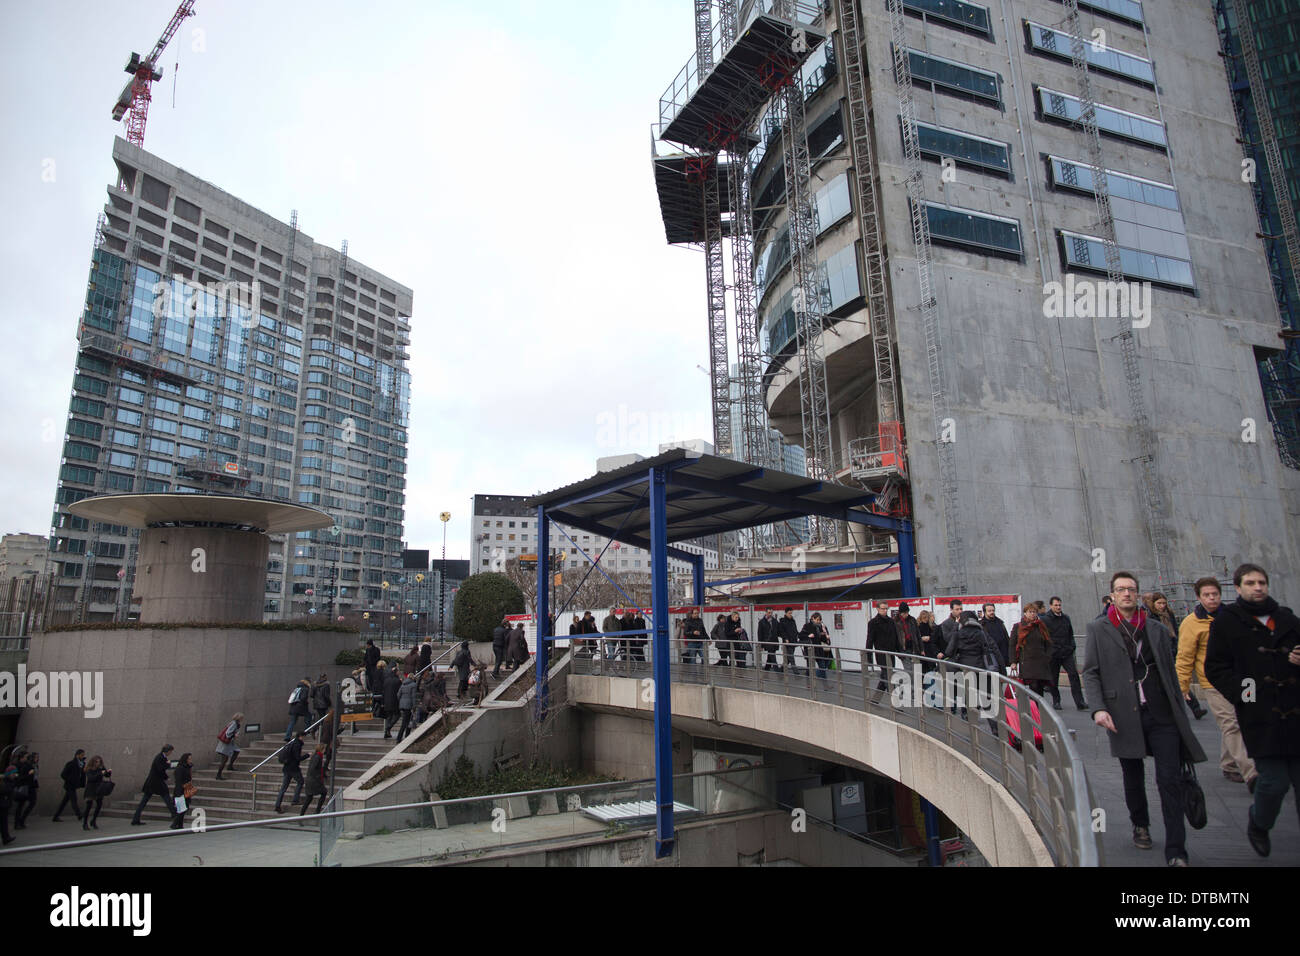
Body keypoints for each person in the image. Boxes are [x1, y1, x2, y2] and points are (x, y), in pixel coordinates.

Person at [1084, 571, 1206, 867]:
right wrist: (1098, 708)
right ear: (1112, 595)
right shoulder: (1098, 629)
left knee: (1170, 780)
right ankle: (1140, 824)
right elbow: (1090, 672)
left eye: (1131, 589)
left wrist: (1185, 703)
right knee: (1133, 776)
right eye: (1121, 589)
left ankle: (1177, 850)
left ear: (1138, 594)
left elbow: (1169, 672)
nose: (1126, 594)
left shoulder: (1156, 630)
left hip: (1162, 714)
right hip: (1122, 714)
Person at [1205, 563, 1300, 858]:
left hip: (1296, 712)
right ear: (1238, 587)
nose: (1257, 587)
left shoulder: (1287, 618)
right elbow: (1216, 667)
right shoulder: (1227, 622)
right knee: (1273, 782)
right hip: (1261, 717)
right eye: (1250, 583)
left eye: (1261, 582)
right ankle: (1259, 823)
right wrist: (1246, 694)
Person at [1178, 577, 1255, 787]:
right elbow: (1185, 656)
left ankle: (1229, 764)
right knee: (1231, 723)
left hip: (1243, 680)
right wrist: (1183, 687)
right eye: (1207, 595)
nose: (1212, 598)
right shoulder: (1191, 623)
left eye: (1215, 594)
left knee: (1243, 721)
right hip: (1213, 682)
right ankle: (1252, 773)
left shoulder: (1233, 617)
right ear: (1199, 597)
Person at [1043, 597, 1087, 710]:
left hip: (1066, 653)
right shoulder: (1046, 620)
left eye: (1059, 605)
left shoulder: (1066, 618)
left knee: (1074, 675)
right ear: (1051, 606)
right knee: (1053, 679)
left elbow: (1070, 634)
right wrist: (1050, 651)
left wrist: (1071, 647)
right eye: (1056, 605)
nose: (1058, 607)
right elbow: (1044, 638)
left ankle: (1080, 702)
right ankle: (1056, 701)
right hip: (1054, 654)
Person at [1010, 603, 1054, 697]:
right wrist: (1013, 661)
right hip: (1027, 662)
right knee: (1033, 687)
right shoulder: (1018, 626)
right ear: (1025, 613)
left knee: (1040, 688)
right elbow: (1013, 645)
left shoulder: (1041, 626)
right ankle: (1034, 709)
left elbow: (1048, 643)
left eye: (1034, 612)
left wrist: (1047, 657)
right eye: (1030, 612)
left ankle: (1037, 709)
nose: (1032, 614)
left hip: (1041, 662)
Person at [131, 744, 175, 826]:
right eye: (171, 751)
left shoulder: (161, 757)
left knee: (144, 801)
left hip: (153, 782)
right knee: (166, 797)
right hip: (156, 783)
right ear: (168, 751)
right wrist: (168, 765)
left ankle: (136, 818)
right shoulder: (160, 757)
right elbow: (160, 769)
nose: (171, 753)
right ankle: (174, 814)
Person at [867, 601, 899, 691]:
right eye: (883, 609)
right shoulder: (873, 623)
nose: (885, 610)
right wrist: (869, 656)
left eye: (886, 608)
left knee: (885, 676)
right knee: (888, 675)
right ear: (877, 609)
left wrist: (900, 652)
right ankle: (893, 695)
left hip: (891, 653)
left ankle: (875, 699)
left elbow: (895, 638)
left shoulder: (891, 622)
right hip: (881, 653)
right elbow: (870, 640)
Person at [274, 732, 308, 813]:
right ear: (300, 736)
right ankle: (295, 800)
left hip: (287, 767)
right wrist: (307, 755)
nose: (304, 738)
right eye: (304, 737)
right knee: (300, 782)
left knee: (283, 788)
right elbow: (297, 758)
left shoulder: (292, 743)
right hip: (293, 768)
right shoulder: (297, 745)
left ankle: (277, 805)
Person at [51, 749, 86, 823]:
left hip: (73, 785)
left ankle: (56, 816)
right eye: (82, 755)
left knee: (64, 802)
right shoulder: (71, 764)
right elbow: (63, 774)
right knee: (74, 800)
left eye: (83, 755)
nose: (83, 756)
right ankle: (79, 814)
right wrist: (70, 780)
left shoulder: (81, 764)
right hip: (69, 785)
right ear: (77, 755)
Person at [81, 756, 111, 831]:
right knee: (89, 806)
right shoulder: (89, 769)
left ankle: (93, 820)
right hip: (91, 789)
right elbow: (91, 778)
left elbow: (106, 775)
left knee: (99, 804)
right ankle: (85, 823)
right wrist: (101, 773)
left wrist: (108, 772)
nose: (98, 763)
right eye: (97, 762)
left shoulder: (101, 768)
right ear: (93, 762)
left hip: (99, 789)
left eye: (100, 762)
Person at [981, 604, 1010, 676]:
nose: (992, 612)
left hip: (1002, 655)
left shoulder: (1000, 623)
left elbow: (1006, 639)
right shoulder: (982, 624)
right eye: (989, 611)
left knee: (1001, 679)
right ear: (984, 612)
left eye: (993, 610)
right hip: (990, 657)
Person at [300, 743, 328, 816]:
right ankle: (317, 811)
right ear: (322, 749)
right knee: (322, 793)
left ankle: (302, 814)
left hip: (312, 780)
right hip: (314, 781)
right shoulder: (318, 757)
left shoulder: (317, 756)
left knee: (309, 798)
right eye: (324, 749)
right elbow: (313, 769)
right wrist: (319, 777)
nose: (325, 750)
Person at [12, 751, 37, 829]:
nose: (27, 758)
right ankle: (17, 823)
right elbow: (17, 777)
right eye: (26, 757)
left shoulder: (28, 765)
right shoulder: (16, 765)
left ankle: (21, 820)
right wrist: (28, 774)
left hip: (30, 786)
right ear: (21, 757)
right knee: (20, 805)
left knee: (32, 802)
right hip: (22, 787)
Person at [214, 712, 244, 779]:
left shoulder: (235, 723)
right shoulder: (234, 724)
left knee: (236, 751)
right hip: (226, 744)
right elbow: (228, 733)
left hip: (230, 743)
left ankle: (230, 766)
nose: (242, 719)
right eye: (242, 718)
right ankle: (218, 775)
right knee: (224, 759)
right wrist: (234, 735)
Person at [802, 613, 832, 679]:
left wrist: (826, 636)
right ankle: (809, 684)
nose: (818, 621)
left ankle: (825, 684)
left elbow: (822, 639)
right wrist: (808, 636)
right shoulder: (807, 626)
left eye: (819, 620)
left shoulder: (820, 626)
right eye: (817, 620)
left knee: (822, 666)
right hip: (810, 649)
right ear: (813, 618)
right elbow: (801, 636)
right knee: (810, 669)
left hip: (819, 650)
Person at [170, 753, 194, 829]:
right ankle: (175, 824)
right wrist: (180, 791)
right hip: (181, 790)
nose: (190, 760)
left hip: (187, 789)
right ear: (185, 759)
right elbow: (179, 781)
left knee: (184, 807)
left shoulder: (187, 767)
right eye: (189, 759)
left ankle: (180, 825)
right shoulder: (180, 768)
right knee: (182, 808)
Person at [396, 671, 417, 743]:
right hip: (409, 705)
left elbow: (398, 694)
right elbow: (413, 696)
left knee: (406, 721)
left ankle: (405, 736)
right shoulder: (413, 685)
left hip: (402, 704)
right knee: (406, 722)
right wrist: (414, 706)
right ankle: (401, 737)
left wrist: (401, 701)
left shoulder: (403, 684)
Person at [381, 665, 401, 738]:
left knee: (389, 716)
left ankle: (387, 732)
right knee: (397, 715)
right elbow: (399, 692)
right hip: (394, 701)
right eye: (398, 671)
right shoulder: (397, 681)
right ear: (396, 672)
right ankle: (388, 728)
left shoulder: (386, 680)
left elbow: (383, 692)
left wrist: (383, 702)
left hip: (386, 701)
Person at [0, 765, 16, 845]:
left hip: (5, 803)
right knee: (3, 822)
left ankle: (6, 837)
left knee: (4, 822)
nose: (14, 775)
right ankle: (5, 837)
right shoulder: (4, 781)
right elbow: (5, 790)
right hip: (2, 803)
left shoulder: (9, 781)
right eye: (13, 773)